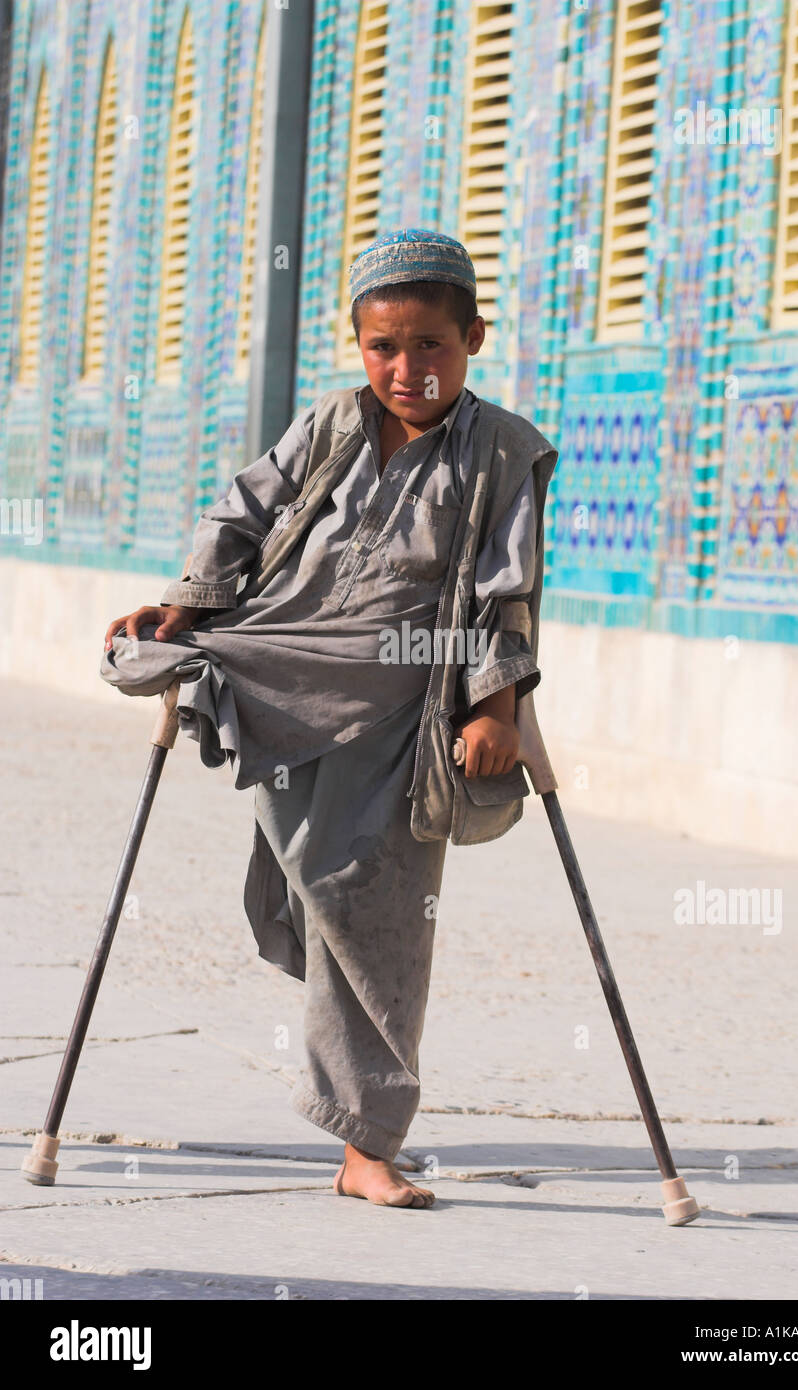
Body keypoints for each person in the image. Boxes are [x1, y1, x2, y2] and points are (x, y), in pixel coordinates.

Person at [102, 229, 558, 1209]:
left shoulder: (501, 450)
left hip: (399, 699)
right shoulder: (327, 426)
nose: (406, 369)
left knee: (373, 914)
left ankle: (365, 1145)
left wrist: (495, 706)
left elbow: (503, 592)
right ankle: (183, 655)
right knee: (311, 892)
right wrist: (185, 604)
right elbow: (240, 516)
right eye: (383, 347)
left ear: (473, 337)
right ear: (357, 345)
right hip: (276, 660)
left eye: (430, 345)